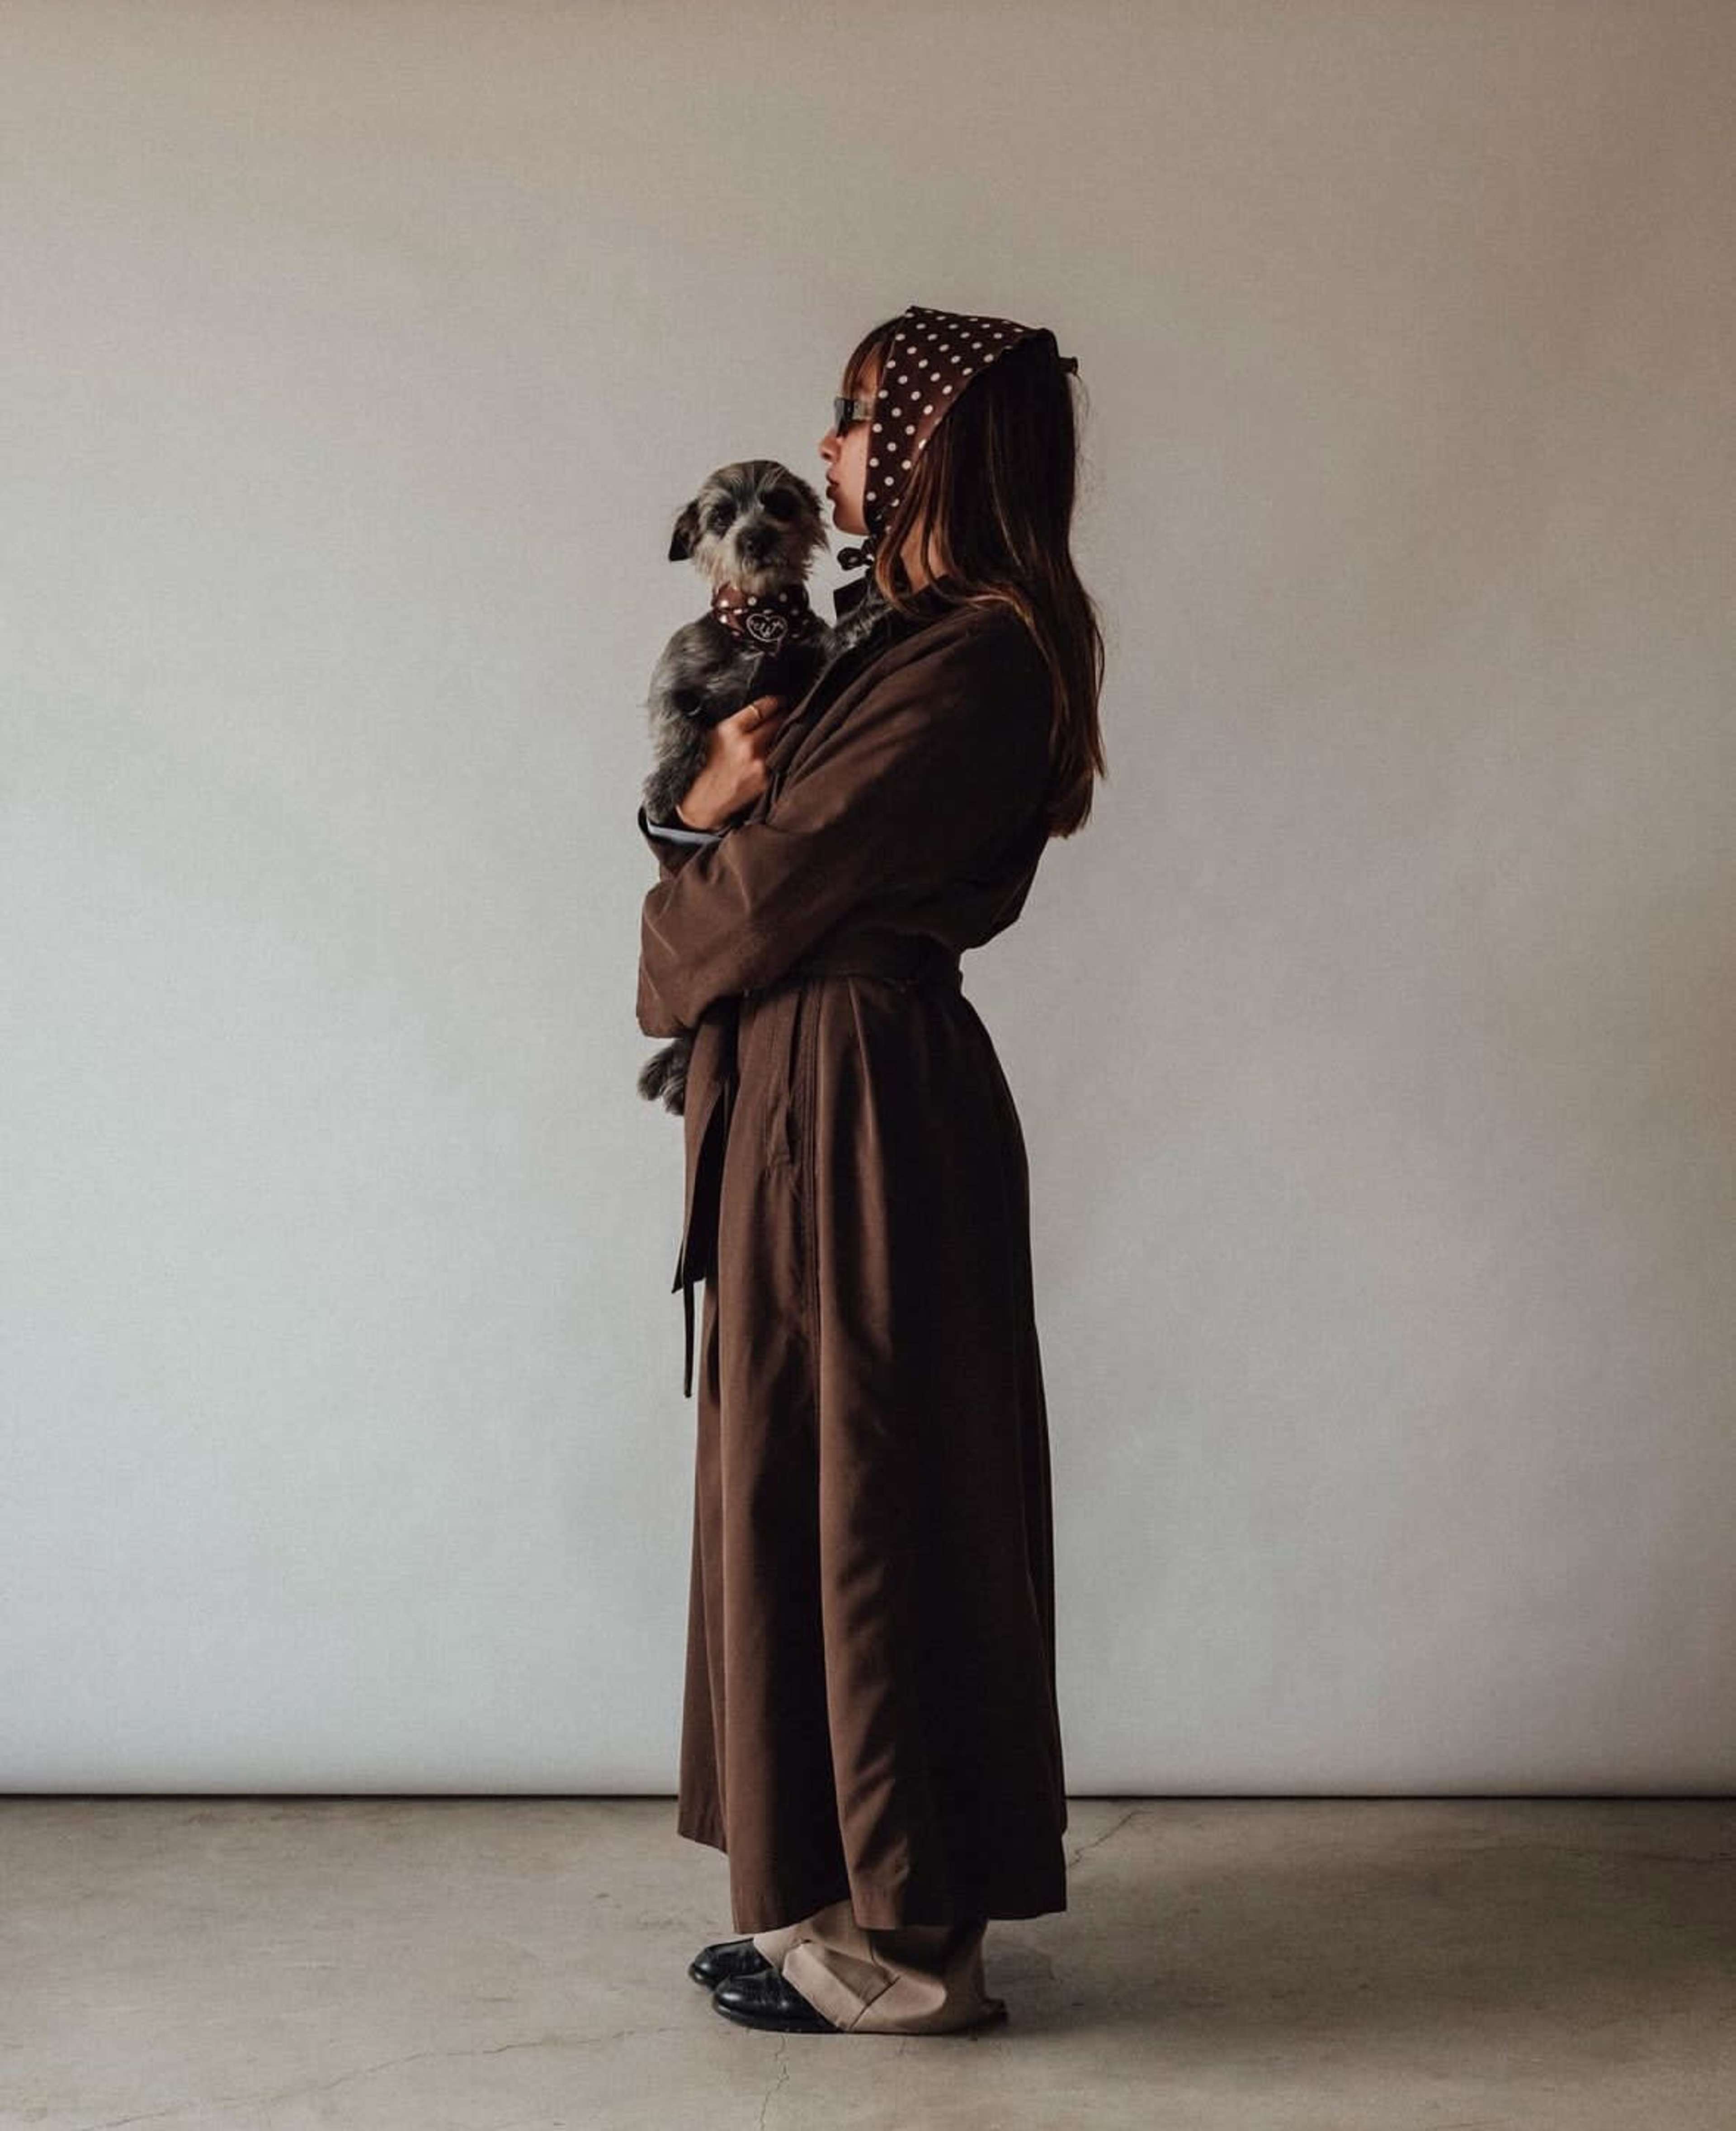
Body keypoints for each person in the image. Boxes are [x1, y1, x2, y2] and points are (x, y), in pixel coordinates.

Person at [635, 303, 1105, 2036]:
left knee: (881, 1503)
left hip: (863, 1116)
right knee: (809, 1483)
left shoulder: (977, 655)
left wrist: (685, 875)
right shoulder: (897, 643)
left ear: (927, 445)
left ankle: (914, 1958)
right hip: (813, 1104)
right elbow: (746, 838)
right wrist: (704, 813)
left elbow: (773, 885)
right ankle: (842, 1899)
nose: (827, 457)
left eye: (850, 423)